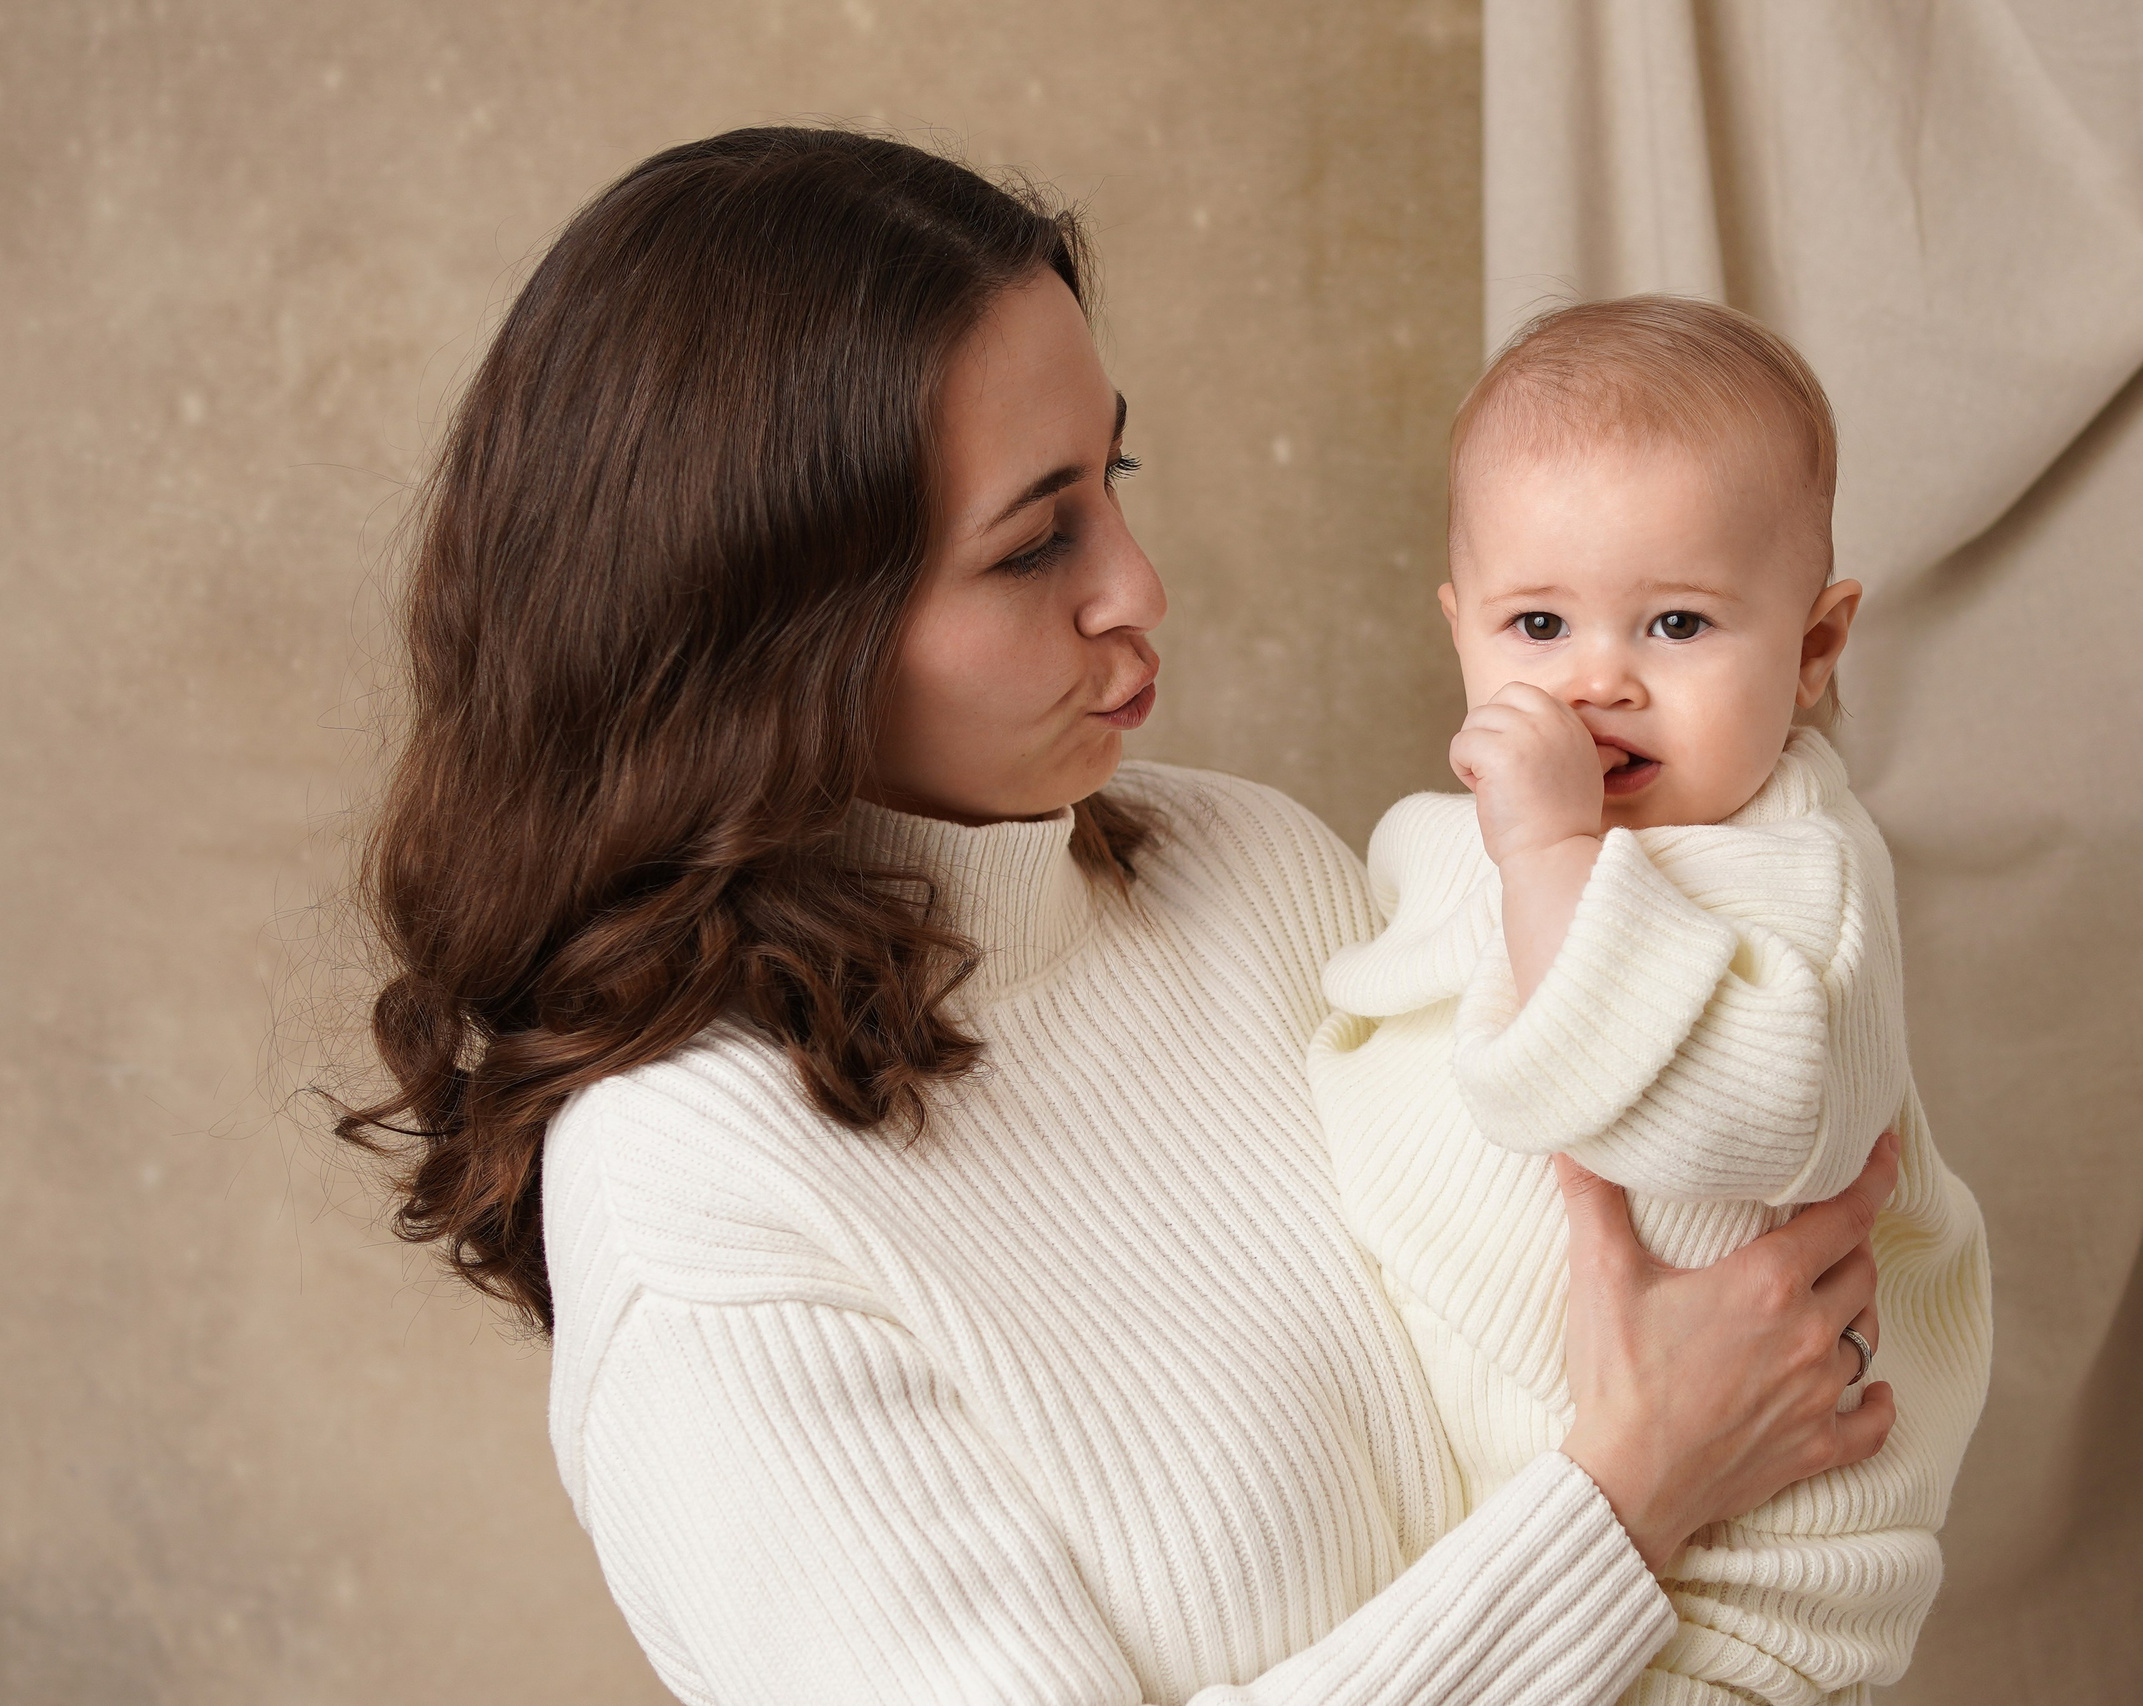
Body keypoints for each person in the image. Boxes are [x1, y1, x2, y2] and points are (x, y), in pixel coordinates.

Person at [335, 128, 1906, 1706]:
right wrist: (1631, 1498)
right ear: (776, 643)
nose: (1139, 585)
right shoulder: (701, 1214)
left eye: (1115, 475)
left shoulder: (1245, 864)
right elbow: (1651, 1430)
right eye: (1035, 544)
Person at [1309, 297, 1994, 1705]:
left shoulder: (1802, 874)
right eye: (1537, 621)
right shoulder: (1441, 843)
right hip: (1522, 1531)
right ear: (1461, 633)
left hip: (1753, 1586)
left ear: (1813, 647)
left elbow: (1728, 1106)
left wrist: (1554, 856)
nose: (1597, 677)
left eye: (1676, 621)